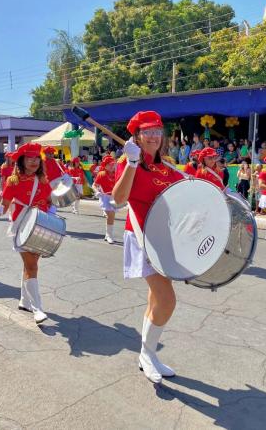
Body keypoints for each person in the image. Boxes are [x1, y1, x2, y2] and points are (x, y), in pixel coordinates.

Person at [112, 110, 184, 384]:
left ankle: (148, 355)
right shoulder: (128, 162)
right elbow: (118, 199)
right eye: (147, 131)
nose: (153, 136)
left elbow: (186, 197)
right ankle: (146, 354)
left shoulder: (167, 167)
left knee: (156, 299)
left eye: (157, 130)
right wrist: (131, 163)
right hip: (142, 237)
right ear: (137, 136)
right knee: (167, 299)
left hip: (164, 239)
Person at [2, 142, 52, 325]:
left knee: (29, 265)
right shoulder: (13, 180)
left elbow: (49, 200)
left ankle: (24, 301)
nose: (34, 161)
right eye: (30, 158)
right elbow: (4, 205)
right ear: (21, 161)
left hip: (39, 226)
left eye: (37, 158)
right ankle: (38, 309)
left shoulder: (43, 180)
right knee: (32, 267)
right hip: (21, 226)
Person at [92, 155, 117, 244]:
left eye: (113, 164)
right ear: (105, 165)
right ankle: (109, 235)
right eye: (110, 164)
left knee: (111, 215)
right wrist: (96, 192)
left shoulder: (116, 174)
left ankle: (108, 234)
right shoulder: (101, 174)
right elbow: (94, 185)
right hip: (105, 197)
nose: (112, 166)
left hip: (113, 197)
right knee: (109, 215)